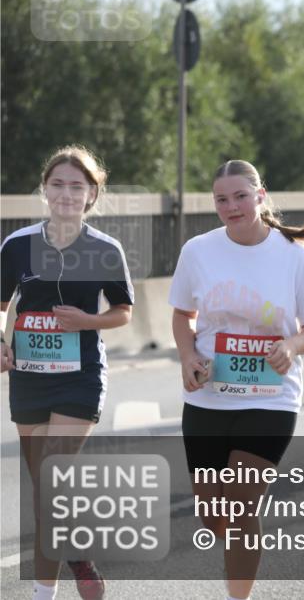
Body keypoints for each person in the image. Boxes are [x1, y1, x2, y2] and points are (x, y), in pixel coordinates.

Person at [169, 160, 304, 600]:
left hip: (271, 396)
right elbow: (182, 315)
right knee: (212, 515)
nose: (232, 206)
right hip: (209, 395)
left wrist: (291, 347)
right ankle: (241, 553)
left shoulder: (292, 253)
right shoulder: (198, 250)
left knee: (242, 506)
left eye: (241, 196)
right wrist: (187, 357)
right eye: (222, 199)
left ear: (261, 196)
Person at [1, 145, 134, 600]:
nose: (66, 193)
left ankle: (44, 594)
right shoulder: (17, 245)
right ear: (44, 189)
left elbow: (122, 312)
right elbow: (1, 308)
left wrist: (87, 322)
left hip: (80, 376)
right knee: (46, 494)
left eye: (77, 186)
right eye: (57, 184)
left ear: (92, 194)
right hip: (29, 376)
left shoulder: (104, 248)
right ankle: (78, 555)